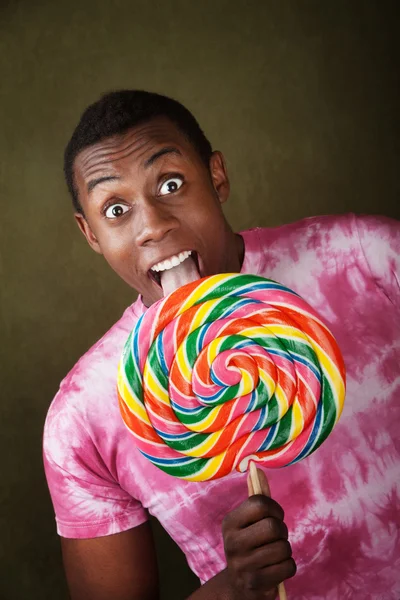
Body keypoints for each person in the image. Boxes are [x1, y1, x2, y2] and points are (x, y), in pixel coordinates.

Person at [43, 90, 400, 600]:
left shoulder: (370, 259)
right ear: (91, 233)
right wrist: (234, 588)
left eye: (170, 183)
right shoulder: (80, 421)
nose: (152, 225)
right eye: (116, 209)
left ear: (216, 176)